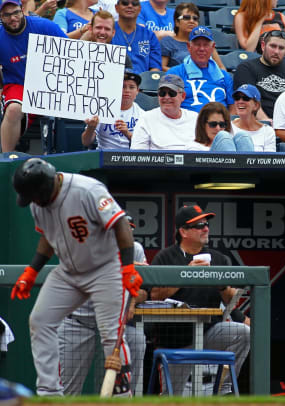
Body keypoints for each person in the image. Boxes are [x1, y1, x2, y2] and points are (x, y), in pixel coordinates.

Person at [10, 158, 143, 396]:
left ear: (46, 187)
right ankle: (49, 393)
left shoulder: (86, 190)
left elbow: (120, 223)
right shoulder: (37, 203)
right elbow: (47, 237)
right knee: (40, 320)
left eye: (35, 196)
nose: (34, 202)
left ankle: (122, 396)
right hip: (69, 272)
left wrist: (128, 267)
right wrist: (32, 271)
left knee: (112, 335)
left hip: (105, 268)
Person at [150, 205, 250, 395]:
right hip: (174, 338)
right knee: (172, 397)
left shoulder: (218, 258)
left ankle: (224, 387)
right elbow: (154, 295)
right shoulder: (166, 256)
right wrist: (187, 273)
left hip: (208, 332)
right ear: (183, 231)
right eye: (199, 225)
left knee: (243, 333)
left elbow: (231, 300)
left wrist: (219, 283)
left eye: (206, 224)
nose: (206, 228)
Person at [58, 215, 148, 396]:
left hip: (113, 328)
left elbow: (145, 291)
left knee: (137, 340)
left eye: (128, 229)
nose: (125, 233)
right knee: (67, 393)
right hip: (78, 324)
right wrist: (120, 269)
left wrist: (132, 300)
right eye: (119, 229)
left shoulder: (134, 249)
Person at [0, 0, 67, 153]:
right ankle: (5, 159)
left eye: (15, 12)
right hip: (18, 85)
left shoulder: (44, 26)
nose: (12, 18)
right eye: (6, 15)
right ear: (1, 17)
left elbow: (72, 52)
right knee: (13, 110)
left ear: (22, 9)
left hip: (50, 85)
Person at [233, 30, 285, 121]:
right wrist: (266, 121)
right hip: (261, 125)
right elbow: (248, 100)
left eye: (281, 48)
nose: (276, 51)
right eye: (272, 46)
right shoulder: (246, 68)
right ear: (263, 46)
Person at [167, 26, 235, 113]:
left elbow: (233, 109)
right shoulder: (175, 73)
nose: (201, 49)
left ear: (213, 47)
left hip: (219, 125)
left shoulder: (224, 76)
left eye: (206, 45)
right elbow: (170, 107)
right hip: (188, 124)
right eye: (197, 44)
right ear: (189, 47)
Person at [131, 74, 198, 149]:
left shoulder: (195, 118)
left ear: (183, 96)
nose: (166, 97)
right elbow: (138, 154)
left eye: (172, 93)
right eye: (162, 93)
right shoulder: (146, 119)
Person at [82, 69, 144, 149]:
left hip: (130, 158)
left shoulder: (142, 114)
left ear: (137, 91)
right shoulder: (102, 109)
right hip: (105, 157)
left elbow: (143, 146)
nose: (127, 91)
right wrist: (91, 127)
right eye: (122, 87)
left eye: (132, 87)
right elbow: (86, 142)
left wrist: (127, 134)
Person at [159, 3, 225, 72]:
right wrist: (184, 73)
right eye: (186, 18)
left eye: (195, 18)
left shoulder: (206, 41)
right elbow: (162, 67)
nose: (191, 21)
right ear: (177, 22)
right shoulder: (167, 42)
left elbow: (221, 68)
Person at [111, 0, 162, 74]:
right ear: (116, 8)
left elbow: (155, 68)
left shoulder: (149, 35)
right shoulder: (108, 31)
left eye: (134, 4)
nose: (130, 6)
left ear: (140, 9)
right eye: (125, 3)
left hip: (142, 83)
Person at [188, 102, 254, 151]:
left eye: (222, 124)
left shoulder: (233, 145)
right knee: (223, 135)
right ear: (203, 124)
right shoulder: (193, 147)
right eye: (213, 124)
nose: (218, 128)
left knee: (243, 136)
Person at [231, 85, 276, 152]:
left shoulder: (268, 131)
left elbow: (269, 160)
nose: (240, 101)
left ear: (256, 105)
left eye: (245, 98)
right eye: (237, 98)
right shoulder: (227, 127)